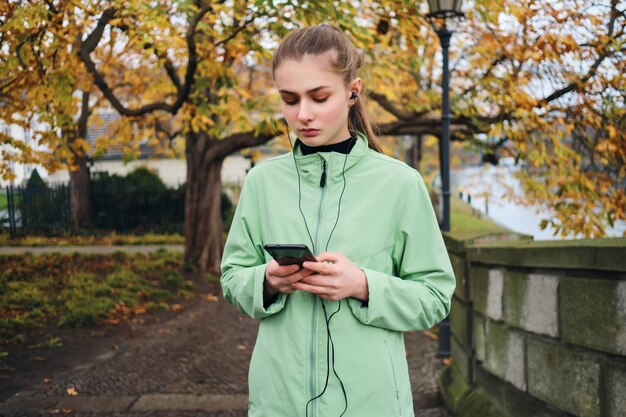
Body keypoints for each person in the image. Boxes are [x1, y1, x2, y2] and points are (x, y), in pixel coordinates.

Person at [220, 24, 455, 417]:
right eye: (289, 99)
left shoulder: (400, 184)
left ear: (352, 91)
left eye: (319, 96)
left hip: (373, 403)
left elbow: (435, 297)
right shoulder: (261, 181)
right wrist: (266, 281)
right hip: (279, 401)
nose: (303, 114)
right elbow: (232, 279)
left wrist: (364, 285)